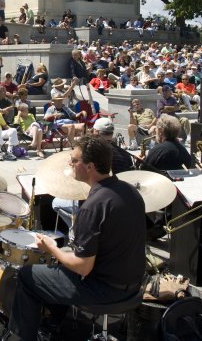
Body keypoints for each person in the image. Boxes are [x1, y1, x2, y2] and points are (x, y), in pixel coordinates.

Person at [9, 135, 146, 340]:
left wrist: (50, 247)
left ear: (89, 166)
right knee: (59, 264)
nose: (70, 164)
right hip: (134, 284)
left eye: (74, 160)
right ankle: (53, 324)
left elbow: (83, 267)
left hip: (106, 290)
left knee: (27, 276)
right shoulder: (129, 191)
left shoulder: (93, 207)